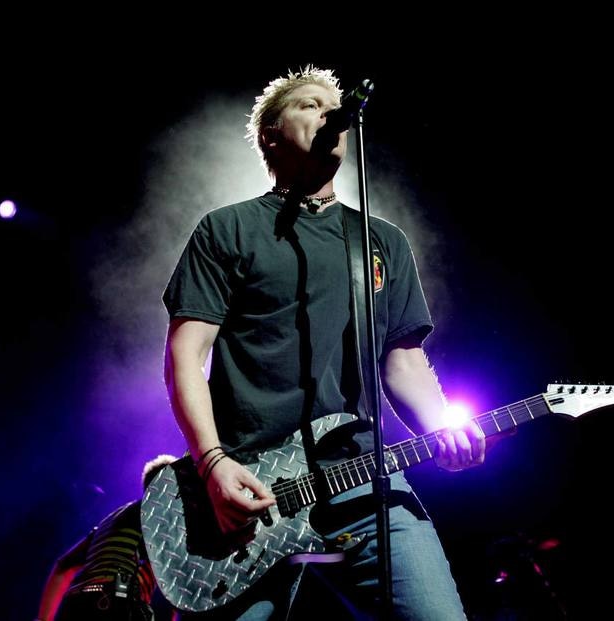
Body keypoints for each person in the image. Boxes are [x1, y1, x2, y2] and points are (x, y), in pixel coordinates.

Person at [162, 66, 489, 620]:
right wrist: (212, 462)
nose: (329, 114)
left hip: (362, 479)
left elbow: (404, 365)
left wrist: (441, 426)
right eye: (310, 105)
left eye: (334, 108)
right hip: (252, 493)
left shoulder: (381, 242)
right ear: (271, 135)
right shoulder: (228, 229)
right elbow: (184, 358)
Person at [36, 454, 177, 621]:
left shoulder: (109, 521)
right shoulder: (160, 514)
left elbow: (63, 565)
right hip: (117, 602)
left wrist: (43, 619)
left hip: (75, 604)